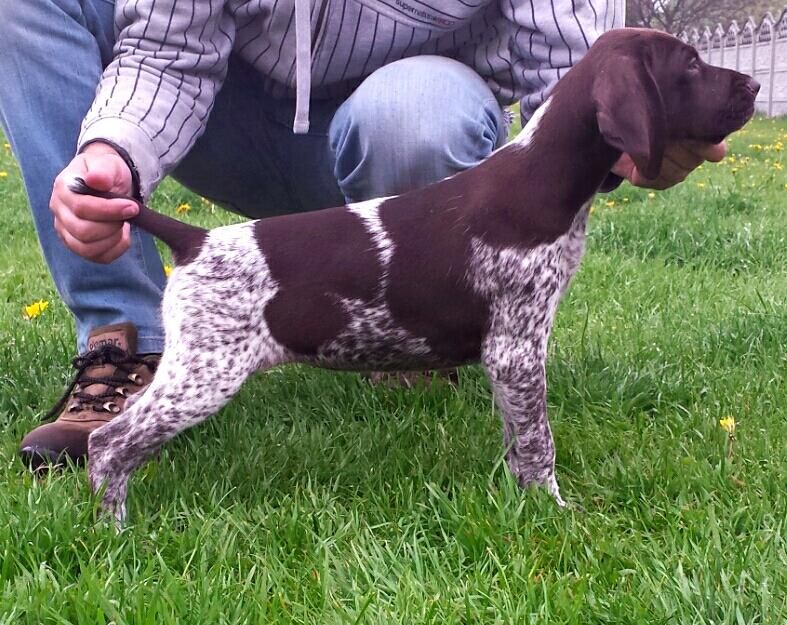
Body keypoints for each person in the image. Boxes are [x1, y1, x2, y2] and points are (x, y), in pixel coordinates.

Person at [0, 0, 724, 469]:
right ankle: (126, 339)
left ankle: (414, 328)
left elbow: (572, 64)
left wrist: (627, 134)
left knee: (415, 114)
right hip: (228, 114)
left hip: (404, 137)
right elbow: (168, 49)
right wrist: (115, 151)